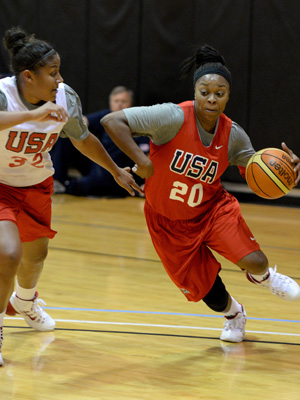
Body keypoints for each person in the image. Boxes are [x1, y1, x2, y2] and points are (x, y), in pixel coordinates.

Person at [101, 44, 300, 344]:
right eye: (205, 91)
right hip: (166, 221)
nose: (211, 98)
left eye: (219, 93)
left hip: (212, 211)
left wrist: (286, 172)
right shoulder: (171, 117)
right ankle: (234, 314)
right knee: (211, 296)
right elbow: (112, 122)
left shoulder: (233, 134)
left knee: (256, 261)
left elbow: (257, 169)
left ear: (228, 96)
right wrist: (141, 161)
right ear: (195, 91)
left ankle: (266, 278)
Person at [0, 27, 141, 366]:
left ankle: (26, 301)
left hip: (36, 185)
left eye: (60, 70)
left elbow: (82, 138)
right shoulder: (4, 94)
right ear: (28, 76)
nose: (60, 79)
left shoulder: (65, 97)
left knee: (36, 256)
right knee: (9, 253)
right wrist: (33, 116)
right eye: (52, 73)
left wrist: (115, 170)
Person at [51, 86, 149, 197]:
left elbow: (147, 156)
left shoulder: (138, 123)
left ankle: (73, 184)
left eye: (124, 101)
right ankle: (58, 180)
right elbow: (82, 121)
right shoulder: (106, 116)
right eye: (116, 101)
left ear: (131, 104)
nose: (119, 104)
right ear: (111, 102)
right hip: (99, 163)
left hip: (123, 167)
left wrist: (146, 183)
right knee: (68, 133)